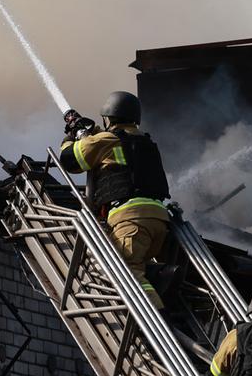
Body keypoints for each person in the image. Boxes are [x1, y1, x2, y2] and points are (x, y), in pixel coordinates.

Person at [58, 91, 173, 308]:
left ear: (108, 117)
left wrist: (69, 138)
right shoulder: (145, 142)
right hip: (159, 221)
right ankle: (160, 295)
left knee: (128, 272)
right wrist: (90, 133)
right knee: (140, 267)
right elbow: (115, 147)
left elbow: (70, 160)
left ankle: (159, 317)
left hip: (131, 220)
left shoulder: (106, 140)